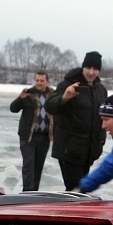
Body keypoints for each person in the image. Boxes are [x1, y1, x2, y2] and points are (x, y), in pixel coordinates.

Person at [46, 51, 107, 190]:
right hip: (70, 151)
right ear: (83, 67)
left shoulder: (100, 90)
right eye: (88, 68)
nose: (91, 72)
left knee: (81, 191)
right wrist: (65, 97)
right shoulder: (68, 84)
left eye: (95, 69)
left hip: (89, 151)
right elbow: (50, 106)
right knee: (75, 191)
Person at [10, 72, 54, 191]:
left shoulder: (52, 95)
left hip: (44, 137)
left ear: (47, 82)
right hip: (28, 137)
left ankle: (34, 193)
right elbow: (13, 108)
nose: (39, 83)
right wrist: (20, 98)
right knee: (28, 166)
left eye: (42, 80)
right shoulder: (28, 94)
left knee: (38, 167)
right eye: (37, 80)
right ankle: (27, 193)